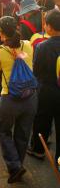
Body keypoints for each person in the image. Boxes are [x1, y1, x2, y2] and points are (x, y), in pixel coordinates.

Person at [0, 16, 37, 183]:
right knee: (23, 133)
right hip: (31, 97)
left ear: (1, 33)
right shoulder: (28, 45)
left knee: (3, 130)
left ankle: (15, 166)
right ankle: (18, 164)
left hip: (10, 98)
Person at [28, 10, 60, 167]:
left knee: (42, 120)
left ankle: (38, 149)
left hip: (46, 89)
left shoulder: (42, 47)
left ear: (49, 27)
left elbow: (36, 71)